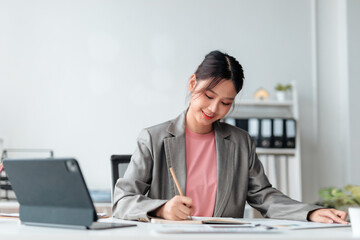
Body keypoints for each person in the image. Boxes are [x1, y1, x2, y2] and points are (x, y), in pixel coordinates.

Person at [112, 50, 348, 224]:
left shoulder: (241, 143)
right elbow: (121, 202)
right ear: (193, 83)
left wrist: (309, 212)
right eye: (208, 95)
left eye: (226, 103)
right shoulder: (153, 139)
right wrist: (161, 209)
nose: (214, 109)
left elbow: (264, 196)